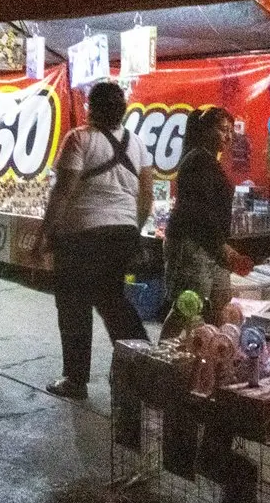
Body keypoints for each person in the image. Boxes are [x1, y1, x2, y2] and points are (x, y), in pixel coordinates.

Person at [39, 81, 153, 399]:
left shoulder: (79, 139)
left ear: (93, 107)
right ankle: (144, 367)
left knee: (74, 307)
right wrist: (132, 229)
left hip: (81, 236)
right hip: (121, 234)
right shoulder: (138, 145)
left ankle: (75, 380)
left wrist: (45, 234)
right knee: (113, 301)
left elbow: (63, 191)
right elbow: (146, 197)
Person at [161, 107, 253, 339]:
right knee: (188, 305)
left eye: (231, 131)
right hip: (192, 244)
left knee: (219, 303)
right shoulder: (197, 161)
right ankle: (161, 357)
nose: (228, 137)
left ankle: (213, 356)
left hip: (211, 245)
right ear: (204, 131)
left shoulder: (208, 160)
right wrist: (222, 247)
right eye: (223, 130)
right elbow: (199, 213)